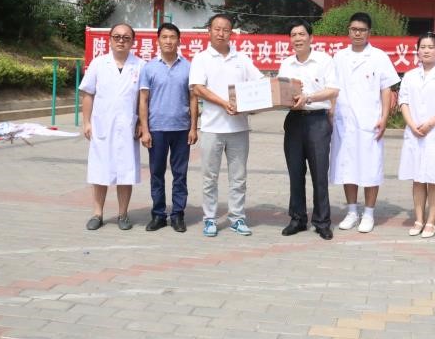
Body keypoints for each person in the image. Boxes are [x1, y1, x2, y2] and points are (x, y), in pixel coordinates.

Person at [190, 13, 263, 237]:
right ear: (209, 31)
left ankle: (237, 218)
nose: (221, 33)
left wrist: (258, 101)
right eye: (217, 29)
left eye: (226, 30)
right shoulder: (201, 58)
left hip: (238, 128)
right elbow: (198, 88)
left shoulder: (242, 59)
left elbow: (260, 82)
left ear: (232, 33)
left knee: (238, 178)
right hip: (212, 128)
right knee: (209, 177)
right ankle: (210, 219)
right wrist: (224, 103)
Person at [330, 12, 400, 233]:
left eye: (362, 30)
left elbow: (386, 89)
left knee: (370, 168)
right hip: (344, 121)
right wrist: (331, 113)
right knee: (347, 167)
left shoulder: (379, 57)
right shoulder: (339, 57)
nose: (357, 33)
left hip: (370, 122)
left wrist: (384, 117)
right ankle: (352, 212)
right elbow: (332, 88)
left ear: (369, 32)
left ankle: (369, 213)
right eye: (354, 29)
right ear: (348, 31)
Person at [277, 19, 340, 240]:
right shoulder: (286, 64)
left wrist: (308, 97)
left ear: (311, 38)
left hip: (317, 121)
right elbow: (281, 93)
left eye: (301, 34)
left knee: (319, 174)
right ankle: (297, 219)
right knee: (295, 172)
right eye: (293, 35)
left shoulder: (324, 60)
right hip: (294, 121)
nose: (297, 38)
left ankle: (322, 222)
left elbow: (333, 90)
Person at [80, 23, 144, 231]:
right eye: (117, 36)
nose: (121, 41)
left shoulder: (140, 65)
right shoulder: (98, 63)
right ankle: (97, 214)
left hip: (128, 127)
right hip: (102, 126)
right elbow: (88, 93)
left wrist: (142, 123)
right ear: (109, 39)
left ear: (133, 41)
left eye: (126, 37)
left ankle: (123, 214)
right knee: (100, 171)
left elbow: (144, 99)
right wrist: (87, 122)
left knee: (126, 172)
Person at [138, 23, 198, 233]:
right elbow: (143, 100)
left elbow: (193, 98)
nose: (169, 41)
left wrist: (194, 127)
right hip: (157, 129)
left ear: (179, 41)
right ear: (158, 40)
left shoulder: (188, 67)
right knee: (157, 173)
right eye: (164, 37)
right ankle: (158, 214)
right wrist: (145, 130)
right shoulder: (149, 68)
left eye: (173, 37)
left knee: (180, 174)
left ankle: (178, 214)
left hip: (182, 129)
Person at [397, 32, 435, 239]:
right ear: (417, 51)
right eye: (423, 47)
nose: (426, 51)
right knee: (418, 179)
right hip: (414, 132)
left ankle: (431, 221)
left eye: (431, 47)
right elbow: (403, 101)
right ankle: (418, 219)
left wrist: (429, 124)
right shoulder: (410, 75)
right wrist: (412, 124)